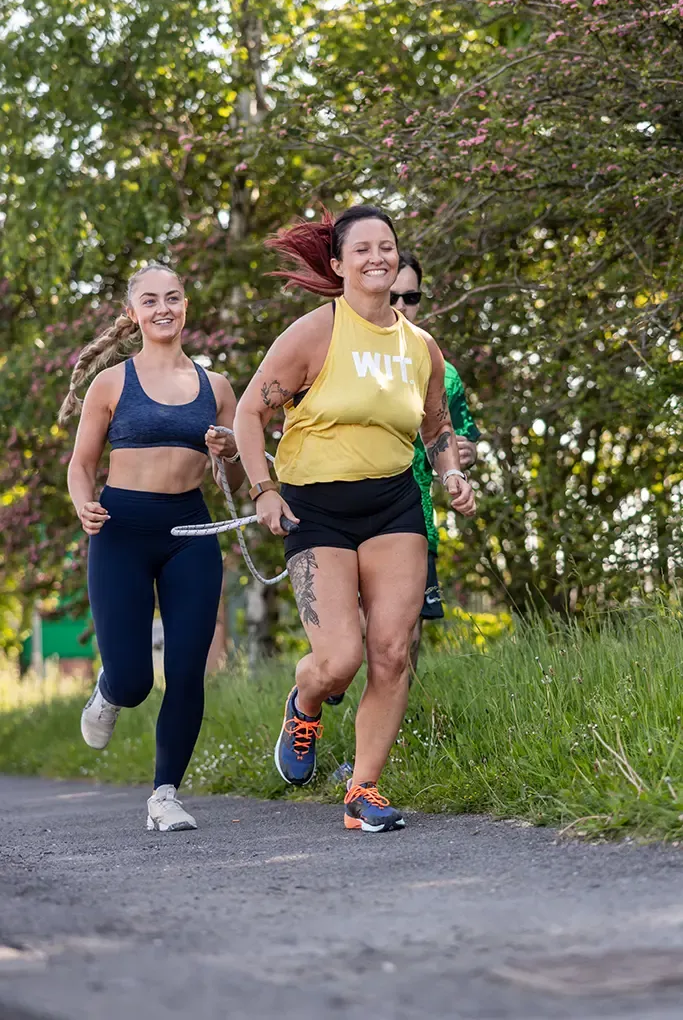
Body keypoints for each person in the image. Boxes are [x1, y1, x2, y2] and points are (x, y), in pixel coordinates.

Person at [233, 206, 476, 833]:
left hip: (393, 504)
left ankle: (363, 790)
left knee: (391, 653)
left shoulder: (420, 347)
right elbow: (248, 416)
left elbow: (437, 428)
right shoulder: (315, 334)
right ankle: (305, 701)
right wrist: (263, 490)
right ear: (338, 265)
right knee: (339, 660)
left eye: (388, 247)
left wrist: (450, 473)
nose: (379, 258)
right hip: (316, 510)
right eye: (363, 249)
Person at [58, 263, 244, 832]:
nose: (163, 307)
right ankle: (109, 691)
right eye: (150, 299)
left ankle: (164, 795)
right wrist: (83, 503)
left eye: (173, 297)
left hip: (190, 531)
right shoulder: (112, 382)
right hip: (121, 531)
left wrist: (230, 451)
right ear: (133, 313)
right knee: (136, 680)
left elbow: (235, 484)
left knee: (187, 670)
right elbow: (81, 465)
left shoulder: (216, 388)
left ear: (186, 306)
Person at [391, 251, 481, 670]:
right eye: (392, 296)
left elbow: (464, 437)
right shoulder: (337, 356)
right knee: (351, 642)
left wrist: (467, 454)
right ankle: (320, 685)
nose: (400, 306)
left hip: (416, 519)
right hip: (348, 517)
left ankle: (397, 734)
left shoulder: (443, 372)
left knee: (406, 640)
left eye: (410, 297)